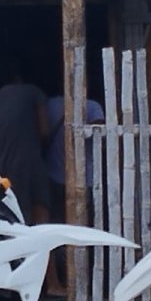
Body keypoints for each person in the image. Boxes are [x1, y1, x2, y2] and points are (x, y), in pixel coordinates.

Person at [0, 62, 50, 225]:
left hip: (1, 167)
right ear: (18, 78)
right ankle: (45, 247)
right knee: (40, 203)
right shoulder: (32, 92)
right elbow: (44, 131)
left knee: (12, 209)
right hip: (30, 160)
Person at [45, 95, 107, 224]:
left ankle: (62, 244)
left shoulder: (50, 105)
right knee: (85, 222)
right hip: (84, 177)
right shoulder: (92, 106)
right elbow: (100, 135)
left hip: (54, 174)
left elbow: (41, 133)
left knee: (58, 220)